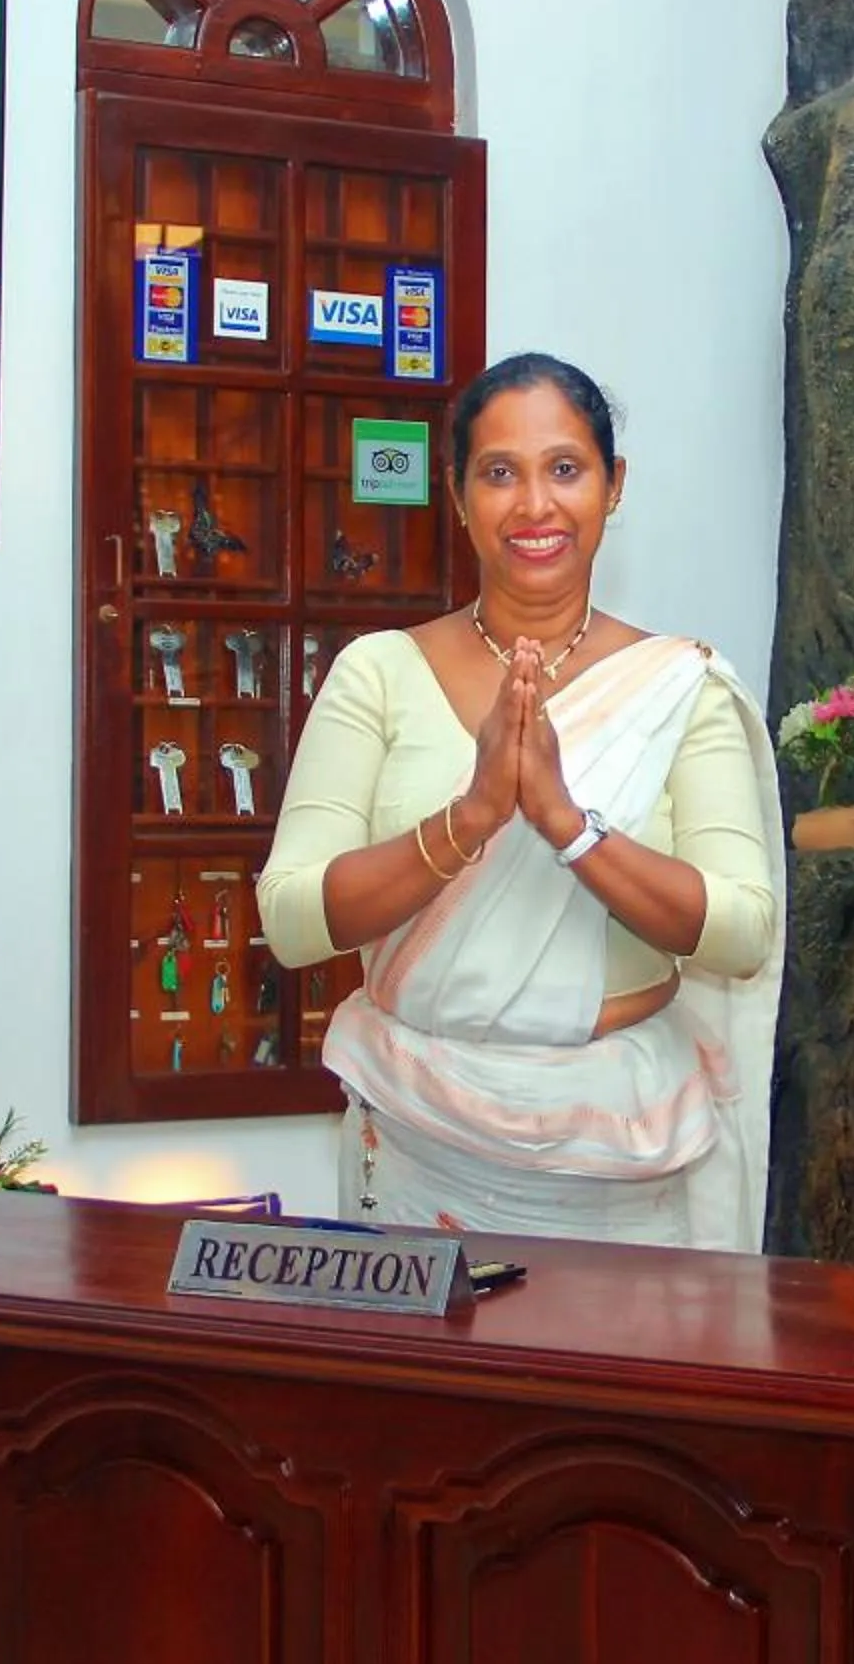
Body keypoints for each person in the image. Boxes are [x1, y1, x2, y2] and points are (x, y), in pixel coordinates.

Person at [258, 353, 783, 1250]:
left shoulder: (678, 688)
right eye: (499, 473)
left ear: (614, 487)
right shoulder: (379, 674)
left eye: (565, 469)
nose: (535, 505)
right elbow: (294, 921)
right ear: (457, 496)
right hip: (420, 1155)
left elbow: (741, 931)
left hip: (619, 1170)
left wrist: (568, 827)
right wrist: (467, 821)